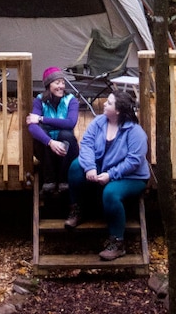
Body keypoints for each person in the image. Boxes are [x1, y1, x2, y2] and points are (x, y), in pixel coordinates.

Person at [64, 90, 149, 261]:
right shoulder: (99, 122)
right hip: (101, 169)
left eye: (109, 103)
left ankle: (117, 242)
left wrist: (110, 175)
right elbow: (86, 143)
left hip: (132, 177)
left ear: (118, 110)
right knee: (75, 167)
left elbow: (134, 161)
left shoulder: (135, 132)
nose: (104, 103)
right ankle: (77, 210)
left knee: (111, 193)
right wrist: (89, 167)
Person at [26, 66, 79, 195]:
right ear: (49, 85)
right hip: (47, 150)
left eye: (63, 82)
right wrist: (50, 142)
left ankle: (63, 180)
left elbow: (70, 123)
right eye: (57, 82)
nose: (61, 86)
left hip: (66, 149)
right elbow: (32, 126)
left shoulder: (71, 100)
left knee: (66, 134)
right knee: (40, 132)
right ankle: (49, 181)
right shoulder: (39, 100)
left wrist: (41, 118)